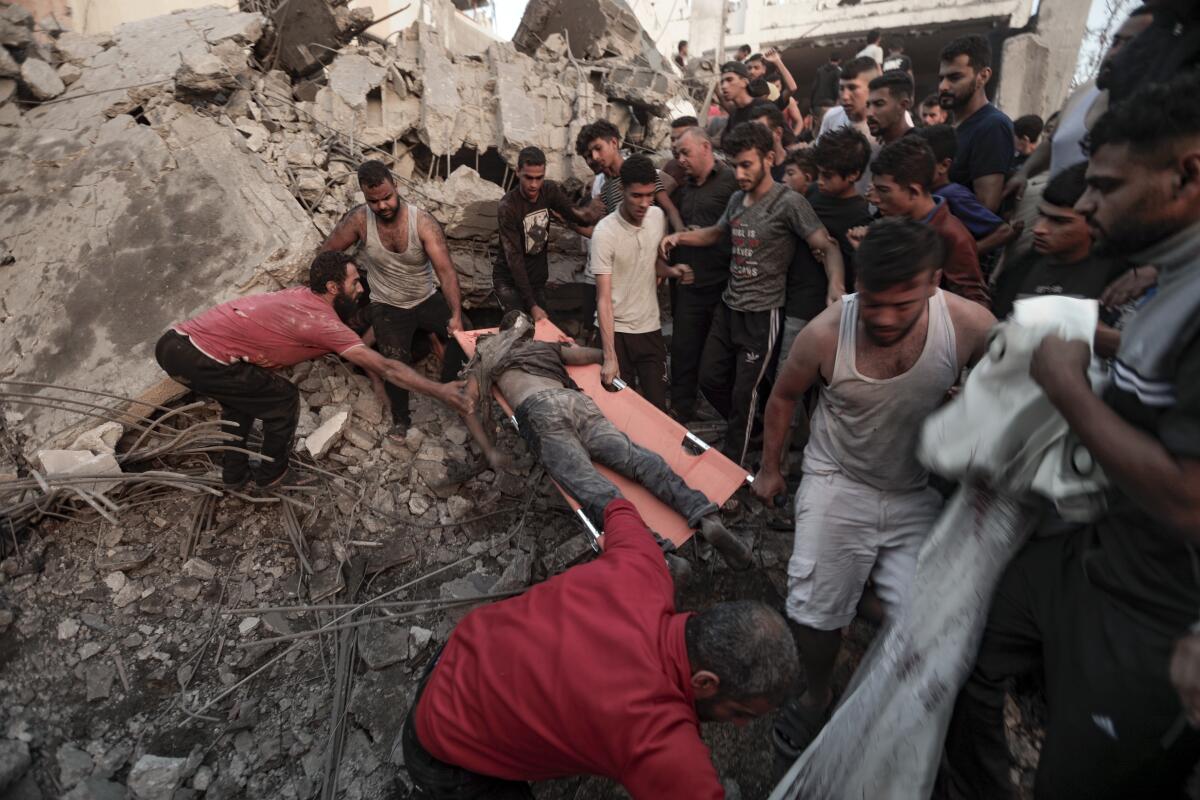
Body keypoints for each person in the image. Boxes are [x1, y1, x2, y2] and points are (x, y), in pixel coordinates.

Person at [941, 74, 1200, 800]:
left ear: (1188, 173)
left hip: (1153, 607)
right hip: (1080, 551)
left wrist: (1066, 383)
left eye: (1106, 187)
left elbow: (1188, 500)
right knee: (972, 659)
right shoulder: (1161, 277)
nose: (1085, 202)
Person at [752, 218, 996, 757]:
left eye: (902, 305)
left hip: (915, 487)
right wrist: (772, 467)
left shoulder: (970, 325)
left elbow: (1011, 380)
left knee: (928, 624)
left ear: (934, 282)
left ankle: (873, 637)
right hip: (838, 477)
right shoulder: (825, 332)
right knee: (814, 610)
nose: (883, 318)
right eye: (873, 301)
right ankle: (818, 694)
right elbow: (784, 396)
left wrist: (973, 401)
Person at [403, 493, 796, 798]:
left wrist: (618, 549)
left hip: (454, 659)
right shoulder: (653, 732)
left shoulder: (644, 571)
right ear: (705, 682)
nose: (742, 724)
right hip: (444, 750)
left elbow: (620, 510)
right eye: (741, 711)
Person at [462, 311, 754, 569]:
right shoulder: (543, 347)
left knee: (592, 486)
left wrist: (489, 450)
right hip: (577, 402)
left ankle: (656, 555)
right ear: (528, 335)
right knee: (638, 459)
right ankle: (705, 517)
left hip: (539, 410)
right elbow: (595, 354)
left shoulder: (488, 355)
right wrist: (592, 355)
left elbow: (469, 404)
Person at [155, 252, 472, 488]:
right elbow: (389, 367)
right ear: (334, 287)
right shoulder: (322, 323)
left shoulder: (301, 297)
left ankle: (235, 477)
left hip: (175, 344)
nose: (361, 288)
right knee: (283, 399)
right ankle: (272, 477)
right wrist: (440, 389)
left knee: (241, 405)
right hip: (199, 355)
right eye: (354, 282)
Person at [660, 123, 845, 465]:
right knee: (710, 378)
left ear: (769, 159)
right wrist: (680, 238)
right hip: (729, 307)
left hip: (763, 315)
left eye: (747, 165)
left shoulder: (789, 204)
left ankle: (733, 465)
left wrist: (835, 284)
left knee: (745, 394)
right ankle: (754, 427)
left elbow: (827, 247)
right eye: (735, 165)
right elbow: (716, 233)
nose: (739, 173)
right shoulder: (736, 199)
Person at [320, 160, 468, 438]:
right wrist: (342, 283)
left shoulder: (422, 222)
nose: (382, 206)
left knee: (465, 333)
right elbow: (327, 253)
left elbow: (446, 273)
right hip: (387, 305)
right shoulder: (360, 220)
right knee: (394, 361)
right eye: (373, 201)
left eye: (387, 197)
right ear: (365, 197)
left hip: (424, 297)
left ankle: (450, 385)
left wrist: (456, 315)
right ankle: (401, 420)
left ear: (396, 187)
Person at [590, 155, 681, 410]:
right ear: (622, 190)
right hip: (616, 333)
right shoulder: (605, 233)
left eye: (649, 195)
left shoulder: (657, 217)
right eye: (636, 196)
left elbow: (652, 263)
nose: (644, 203)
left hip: (649, 328)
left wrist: (672, 271)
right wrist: (609, 356)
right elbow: (603, 298)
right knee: (619, 410)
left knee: (658, 408)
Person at [990, 163, 1129, 319]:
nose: (1039, 228)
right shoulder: (1019, 269)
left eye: (1059, 221)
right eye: (1041, 215)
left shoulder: (1123, 281)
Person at [864, 135, 990, 306]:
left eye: (884, 190)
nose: (876, 199)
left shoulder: (951, 235)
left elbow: (975, 304)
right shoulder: (895, 224)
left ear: (914, 191)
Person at [668, 127, 739, 424]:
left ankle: (729, 413)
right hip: (689, 284)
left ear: (706, 148)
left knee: (720, 356)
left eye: (686, 153)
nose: (681, 159)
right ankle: (682, 408)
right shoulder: (683, 186)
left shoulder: (730, 182)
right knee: (684, 349)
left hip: (722, 285)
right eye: (677, 155)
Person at [492, 146, 602, 323]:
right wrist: (532, 305)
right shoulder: (508, 206)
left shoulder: (549, 190)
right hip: (509, 282)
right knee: (517, 331)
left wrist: (589, 214)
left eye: (539, 178)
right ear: (518, 171)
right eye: (528, 178)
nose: (534, 184)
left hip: (536, 281)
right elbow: (515, 259)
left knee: (548, 332)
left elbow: (573, 214)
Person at [937, 35, 1014, 212]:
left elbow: (986, 207)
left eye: (954, 77)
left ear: (983, 76)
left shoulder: (992, 126)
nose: (943, 86)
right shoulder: (949, 129)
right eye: (941, 78)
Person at [913, 124, 1015, 256]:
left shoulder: (953, 195)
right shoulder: (928, 193)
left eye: (920, 164)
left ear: (944, 166)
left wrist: (963, 256)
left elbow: (1003, 232)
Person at [579, 119, 684, 231]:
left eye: (598, 148)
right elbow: (607, 230)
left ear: (614, 143)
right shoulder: (606, 189)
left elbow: (670, 209)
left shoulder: (641, 170)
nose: (595, 157)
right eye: (591, 153)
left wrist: (680, 233)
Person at [810, 126, 875, 289]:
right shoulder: (813, 192)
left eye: (828, 175)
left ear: (853, 174)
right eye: (818, 173)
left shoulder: (858, 217)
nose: (820, 181)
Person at [817, 55, 878, 142]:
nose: (845, 96)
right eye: (841, 88)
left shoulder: (889, 124)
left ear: (872, 89)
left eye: (852, 88)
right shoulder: (832, 117)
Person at [717, 61, 775, 149]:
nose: (724, 86)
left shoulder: (764, 107)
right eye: (722, 82)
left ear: (744, 82)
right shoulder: (733, 115)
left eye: (729, 80)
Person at [866, 69, 914, 144]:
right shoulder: (875, 149)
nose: (869, 114)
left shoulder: (921, 149)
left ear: (902, 105)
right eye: (868, 105)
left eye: (879, 104)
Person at [747, 102, 791, 180]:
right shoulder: (751, 167)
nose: (755, 137)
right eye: (752, 131)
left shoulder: (792, 168)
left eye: (761, 131)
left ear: (778, 133)